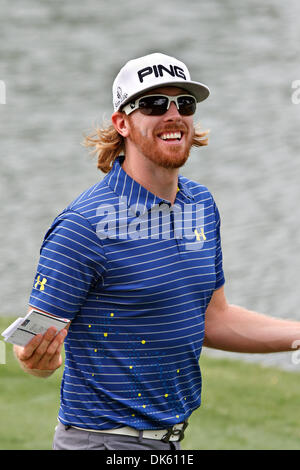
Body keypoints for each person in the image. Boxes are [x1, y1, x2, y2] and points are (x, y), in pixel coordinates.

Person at [14, 52, 300, 451]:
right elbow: (31, 345)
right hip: (103, 443)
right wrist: (35, 360)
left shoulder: (200, 204)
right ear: (122, 123)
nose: (173, 114)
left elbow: (213, 319)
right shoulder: (86, 225)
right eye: (152, 104)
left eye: (184, 104)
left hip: (169, 443)